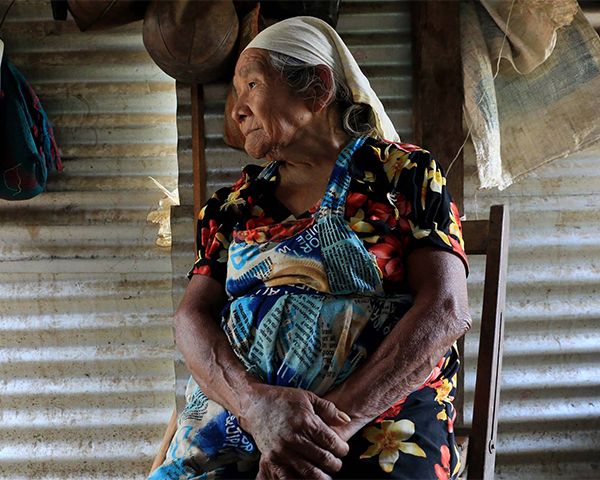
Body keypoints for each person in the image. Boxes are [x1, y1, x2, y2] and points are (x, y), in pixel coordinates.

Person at [150, 16, 470, 480]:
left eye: (252, 85)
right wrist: (257, 410)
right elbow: (190, 318)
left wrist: (318, 433)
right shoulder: (232, 206)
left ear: (318, 88)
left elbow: (445, 310)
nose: (237, 110)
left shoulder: (403, 175)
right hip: (245, 421)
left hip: (373, 422)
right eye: (236, 93)